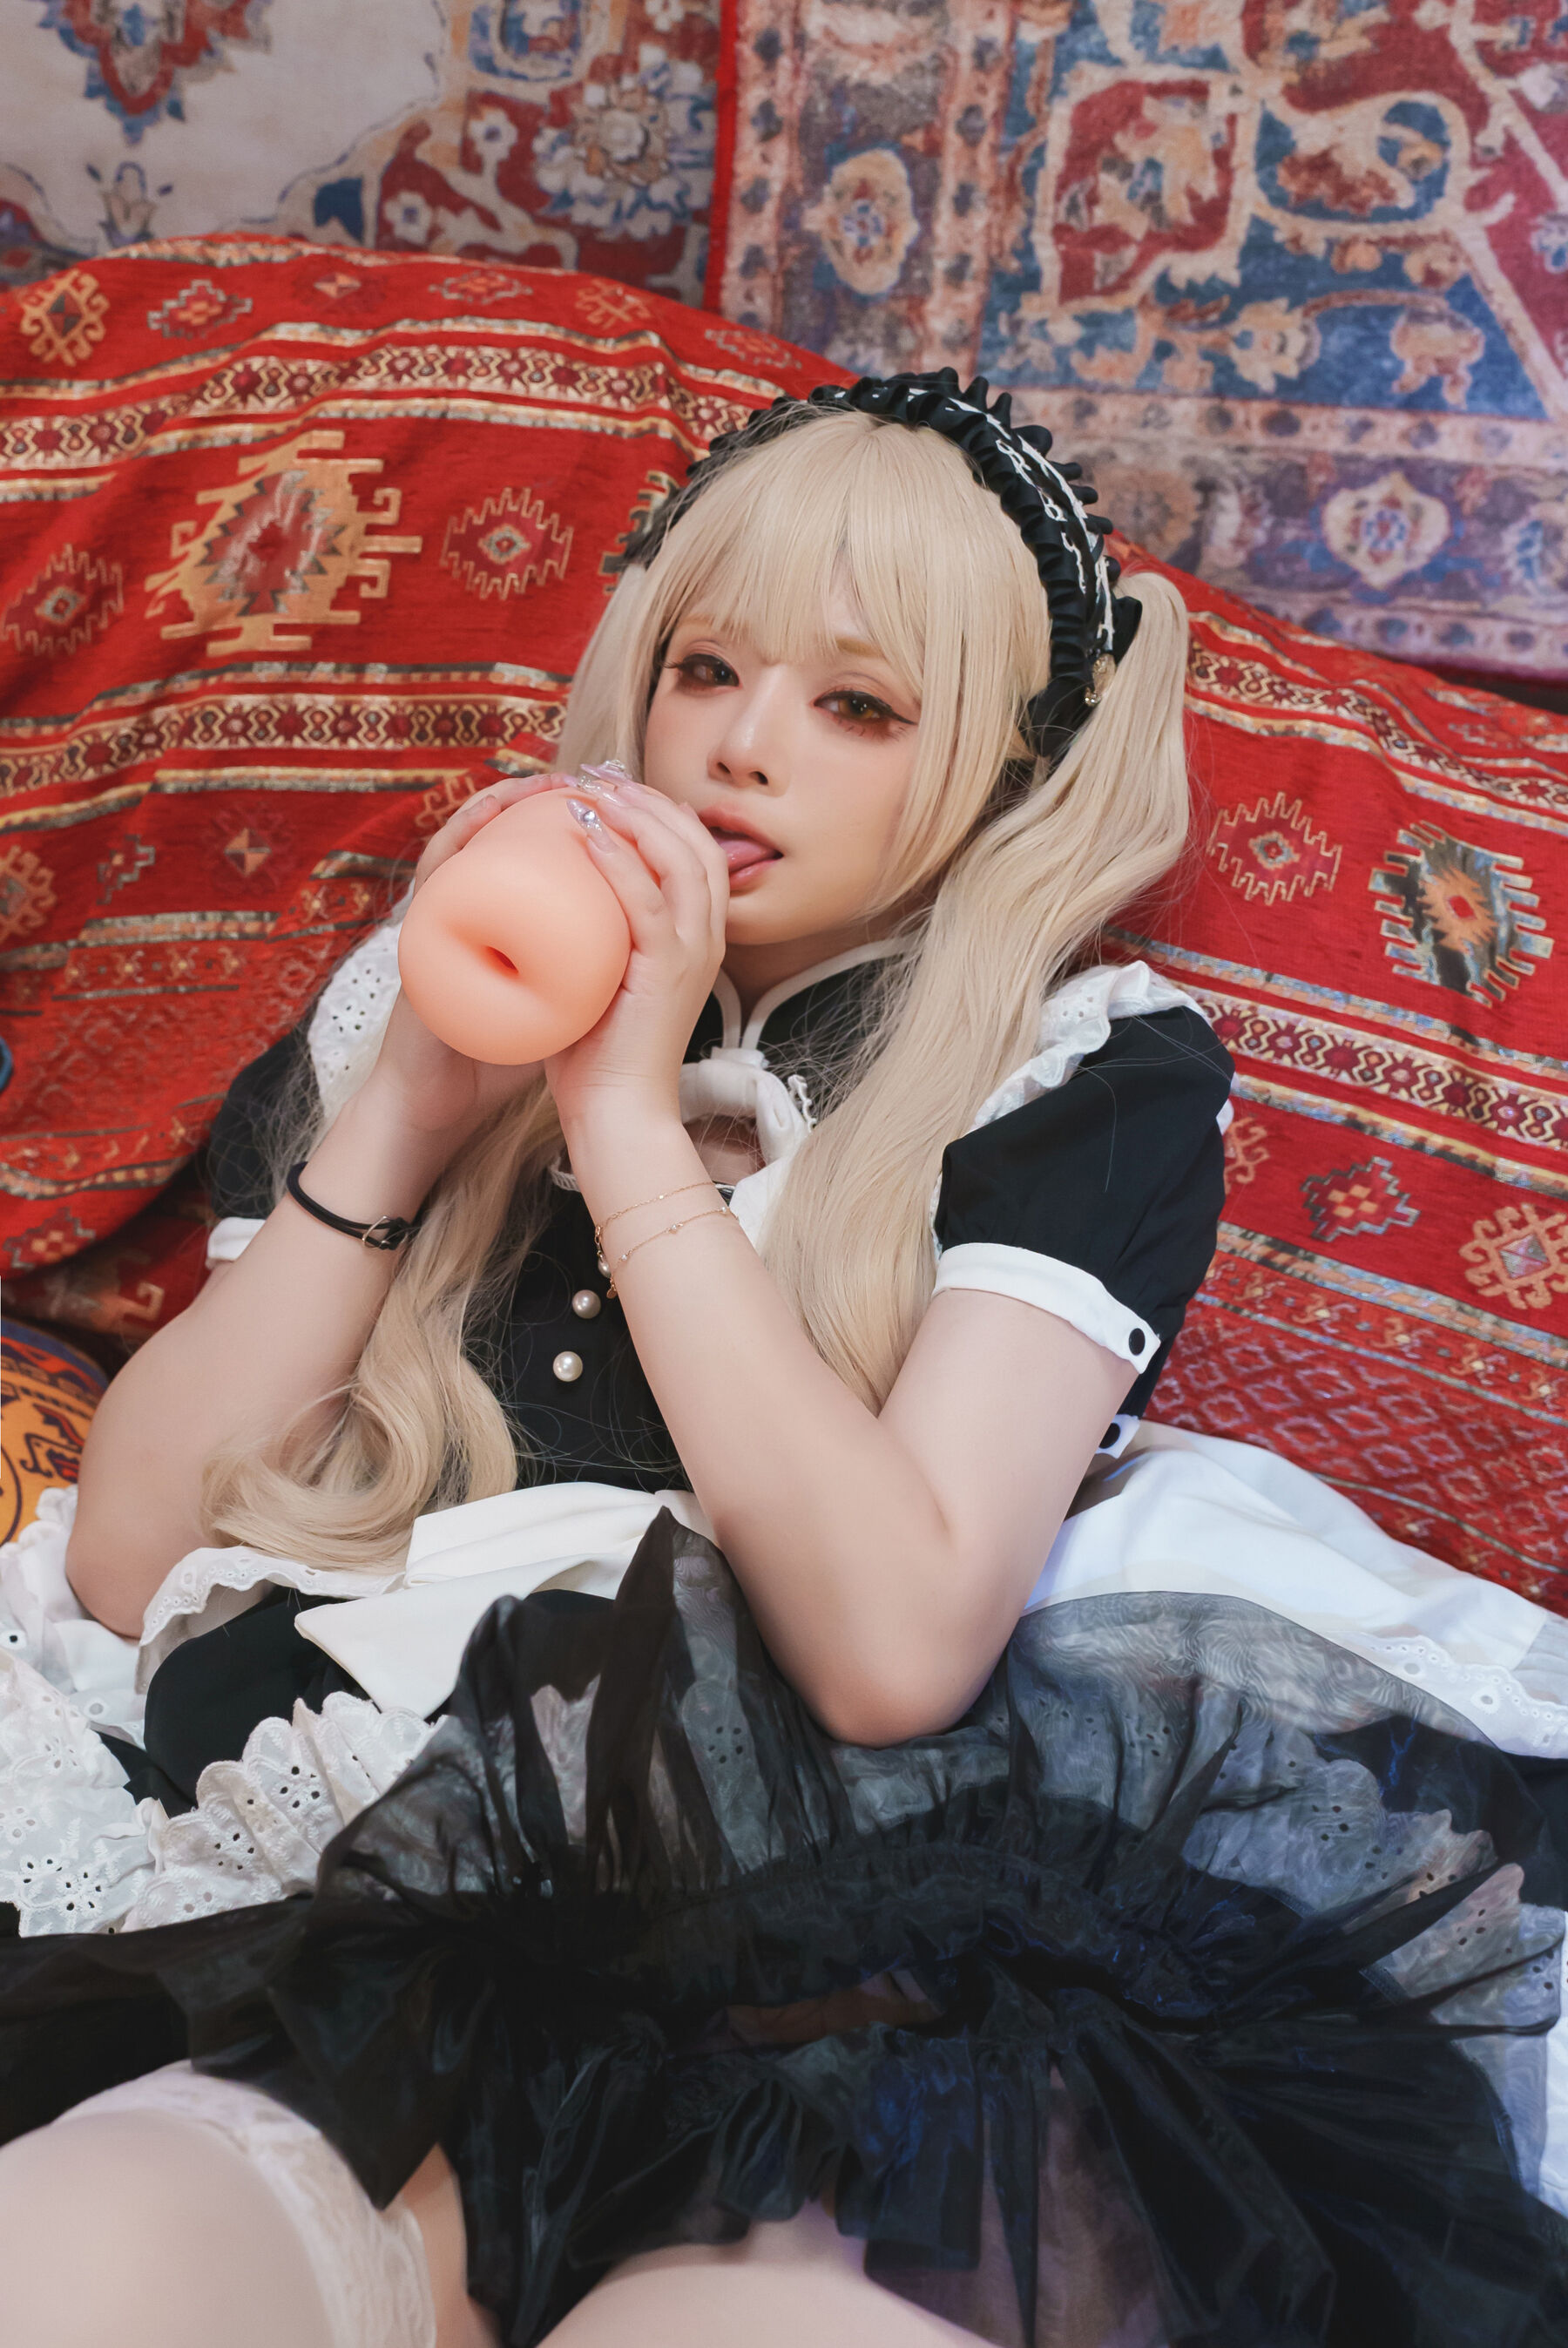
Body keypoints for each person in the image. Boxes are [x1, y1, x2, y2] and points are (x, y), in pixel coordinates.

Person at [0, 374, 1564, 2348]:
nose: (743, 749)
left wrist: (627, 1120)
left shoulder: (1075, 1073)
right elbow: (132, 1559)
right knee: (71, 2267)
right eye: (706, 669)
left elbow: (890, 1648)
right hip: (348, 1901)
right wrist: (409, 1103)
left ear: (999, 771)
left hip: (830, 1959)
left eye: (860, 707)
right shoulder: (419, 1008)